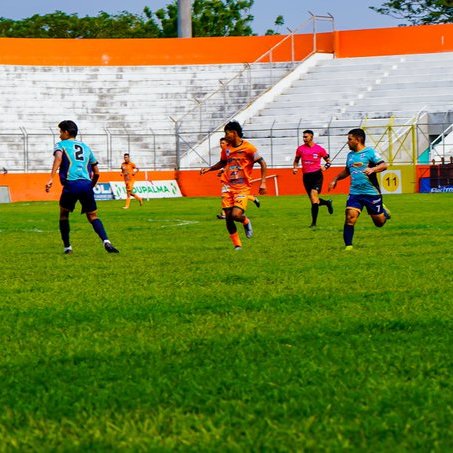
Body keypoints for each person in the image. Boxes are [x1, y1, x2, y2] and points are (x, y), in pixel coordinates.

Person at [45, 120, 119, 254]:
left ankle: (67, 247)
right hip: (86, 184)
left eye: (60, 132)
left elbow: (58, 159)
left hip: (71, 184)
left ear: (66, 132)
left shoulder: (61, 145)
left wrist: (51, 178)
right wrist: (90, 186)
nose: (59, 135)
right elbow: (97, 172)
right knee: (93, 216)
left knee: (64, 215)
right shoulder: (86, 147)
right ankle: (106, 241)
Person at [200, 121, 267, 250]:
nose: (225, 136)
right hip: (227, 185)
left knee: (236, 215)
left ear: (234, 133)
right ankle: (237, 245)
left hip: (242, 187)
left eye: (227, 133)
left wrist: (263, 182)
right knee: (228, 218)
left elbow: (262, 163)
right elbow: (222, 162)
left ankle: (245, 221)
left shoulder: (249, 148)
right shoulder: (227, 148)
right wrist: (209, 169)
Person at [328, 128, 391, 251]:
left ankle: (384, 212)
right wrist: (335, 178)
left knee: (379, 223)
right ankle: (348, 247)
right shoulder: (350, 155)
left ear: (358, 140)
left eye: (349, 139)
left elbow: (384, 165)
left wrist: (373, 169)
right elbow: (347, 170)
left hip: (371, 193)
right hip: (355, 192)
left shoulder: (370, 152)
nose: (348, 142)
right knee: (350, 217)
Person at [292, 129, 333, 228]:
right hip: (306, 177)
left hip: (317, 176)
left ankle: (313, 224)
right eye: (303, 137)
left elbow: (329, 161)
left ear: (311, 137)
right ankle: (327, 202)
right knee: (314, 201)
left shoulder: (319, 149)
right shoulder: (300, 149)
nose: (304, 139)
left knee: (314, 198)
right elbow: (296, 160)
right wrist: (295, 168)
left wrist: (325, 166)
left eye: (306, 137)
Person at [216, 137, 260, 220]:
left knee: (234, 196)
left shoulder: (236, 151)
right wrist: (222, 170)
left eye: (223, 143)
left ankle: (249, 202)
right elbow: (227, 164)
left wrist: (223, 170)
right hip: (227, 180)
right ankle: (224, 213)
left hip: (237, 180)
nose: (221, 145)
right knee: (226, 197)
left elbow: (233, 165)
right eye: (220, 143)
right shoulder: (225, 152)